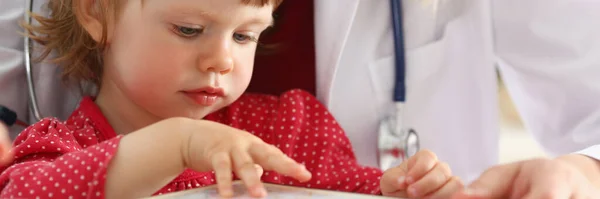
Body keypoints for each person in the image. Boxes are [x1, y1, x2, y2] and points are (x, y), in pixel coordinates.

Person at [2, 0, 600, 198]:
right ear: (93, 13)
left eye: (246, 35)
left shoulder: (290, 125)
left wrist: (413, 189)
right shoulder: (58, 145)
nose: (222, 60)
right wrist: (176, 146)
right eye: (189, 29)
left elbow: (351, 185)